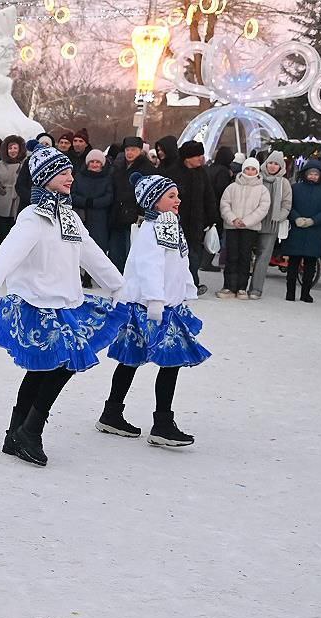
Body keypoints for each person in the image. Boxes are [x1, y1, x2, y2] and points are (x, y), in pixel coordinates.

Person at [0, 140, 125, 468]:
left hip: (68, 301)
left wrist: (118, 285)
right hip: (38, 301)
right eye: (64, 172)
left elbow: (91, 253)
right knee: (57, 365)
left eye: (71, 171)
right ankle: (28, 431)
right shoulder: (35, 217)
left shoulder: (68, 216)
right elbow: (11, 248)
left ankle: (18, 431)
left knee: (50, 367)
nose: (71, 177)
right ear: (46, 177)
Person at [98, 173, 211, 446]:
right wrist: (156, 300)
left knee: (140, 361)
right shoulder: (152, 229)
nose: (177, 200)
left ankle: (113, 412)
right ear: (154, 200)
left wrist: (186, 290)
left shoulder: (171, 225)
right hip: (148, 307)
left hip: (166, 305)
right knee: (157, 361)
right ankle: (159, 423)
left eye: (177, 195)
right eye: (171, 196)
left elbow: (179, 263)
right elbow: (150, 267)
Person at [164, 140, 218, 294]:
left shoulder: (202, 173)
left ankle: (192, 285)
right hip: (176, 222)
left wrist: (211, 219)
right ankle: (174, 286)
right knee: (175, 256)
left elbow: (209, 196)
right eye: (197, 155)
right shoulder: (173, 173)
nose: (201, 158)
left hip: (196, 223)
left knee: (194, 257)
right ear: (188, 157)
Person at [216, 157, 270, 299]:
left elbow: (262, 209)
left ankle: (241, 287)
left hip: (250, 228)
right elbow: (224, 204)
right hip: (232, 226)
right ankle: (228, 286)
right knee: (231, 256)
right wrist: (233, 219)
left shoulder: (262, 190)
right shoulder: (232, 187)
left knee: (244, 257)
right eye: (247, 168)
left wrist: (246, 221)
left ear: (257, 171)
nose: (250, 172)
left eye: (253, 169)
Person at [283, 159, 321, 303]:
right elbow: (289, 206)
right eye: (310, 173)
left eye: (315, 174)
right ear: (305, 174)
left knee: (310, 265)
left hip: (315, 231)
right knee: (293, 263)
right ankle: (290, 292)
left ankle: (306, 292)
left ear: (320, 175)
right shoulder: (296, 188)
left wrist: (314, 220)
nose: (312, 176)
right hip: (297, 230)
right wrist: (296, 218)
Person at [108, 136, 157, 271]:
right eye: (127, 150)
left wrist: (142, 213)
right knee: (116, 250)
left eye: (133, 150)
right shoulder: (119, 166)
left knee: (132, 249)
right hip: (118, 214)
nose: (130, 153)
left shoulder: (147, 168)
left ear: (140, 151)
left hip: (135, 216)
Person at [250, 151, 293, 299]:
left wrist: (279, 217)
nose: (273, 166)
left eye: (276, 164)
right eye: (271, 163)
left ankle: (256, 289)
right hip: (252, 221)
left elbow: (287, 204)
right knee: (245, 255)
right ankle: (240, 285)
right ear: (265, 163)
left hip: (272, 225)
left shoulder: (284, 183)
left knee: (263, 257)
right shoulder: (257, 178)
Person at [69, 148, 113, 278]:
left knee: (97, 246)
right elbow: (72, 194)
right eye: (92, 161)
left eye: (97, 162)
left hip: (99, 217)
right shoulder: (79, 176)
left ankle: (91, 275)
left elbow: (109, 197)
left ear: (102, 164)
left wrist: (94, 203)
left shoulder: (107, 178)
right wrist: (84, 202)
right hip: (80, 214)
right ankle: (75, 273)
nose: (94, 164)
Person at [0, 134, 26, 255]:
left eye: (15, 148)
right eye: (10, 148)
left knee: (14, 235)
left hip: (18, 204)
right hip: (1, 203)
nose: (12, 151)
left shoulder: (26, 164)